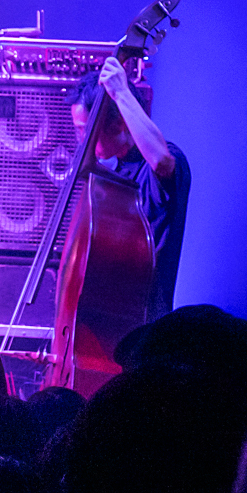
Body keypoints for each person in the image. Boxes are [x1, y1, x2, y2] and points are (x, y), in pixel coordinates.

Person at [67, 54, 190, 322]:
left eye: (85, 130)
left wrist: (121, 93)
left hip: (143, 323)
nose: (81, 140)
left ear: (119, 124)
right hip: (105, 320)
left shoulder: (164, 163)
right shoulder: (112, 176)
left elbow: (161, 161)